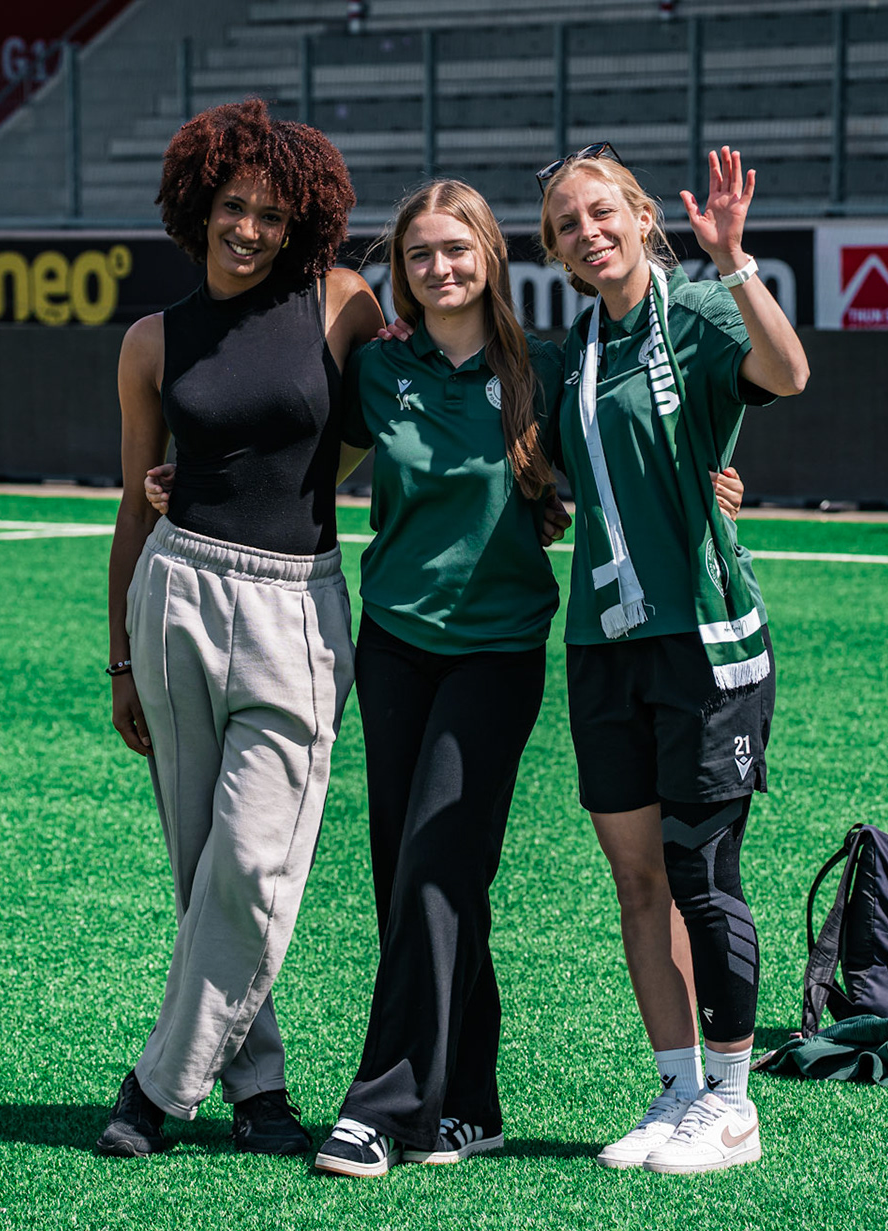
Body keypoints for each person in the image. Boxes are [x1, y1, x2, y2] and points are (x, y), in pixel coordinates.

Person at [145, 177, 750, 1175]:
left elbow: (634, 441)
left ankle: (381, 1104)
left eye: (456, 250)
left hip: (499, 651)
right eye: (420, 254)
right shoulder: (380, 368)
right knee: (414, 876)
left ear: (490, 258)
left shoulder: (545, 367)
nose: (439, 267)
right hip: (393, 648)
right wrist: (192, 480)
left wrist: (720, 478)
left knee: (436, 859)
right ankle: (469, 1102)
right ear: (404, 271)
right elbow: (295, 449)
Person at [96, 99, 383, 1160]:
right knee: (200, 863)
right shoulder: (150, 341)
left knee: (255, 864)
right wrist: (121, 655)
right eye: (232, 206)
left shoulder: (342, 304)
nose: (249, 228)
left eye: (269, 212)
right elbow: (133, 505)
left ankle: (157, 1086)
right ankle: (257, 1088)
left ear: (298, 221)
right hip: (175, 597)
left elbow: (373, 434)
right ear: (196, 208)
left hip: (298, 604)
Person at [537, 144, 808, 1174]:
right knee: (636, 879)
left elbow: (786, 374)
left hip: (705, 640)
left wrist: (735, 257)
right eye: (567, 223)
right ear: (556, 249)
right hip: (603, 644)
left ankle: (734, 1103)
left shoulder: (694, 309)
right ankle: (678, 1085)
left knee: (702, 871)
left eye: (601, 211)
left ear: (642, 215)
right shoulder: (569, 349)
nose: (588, 231)